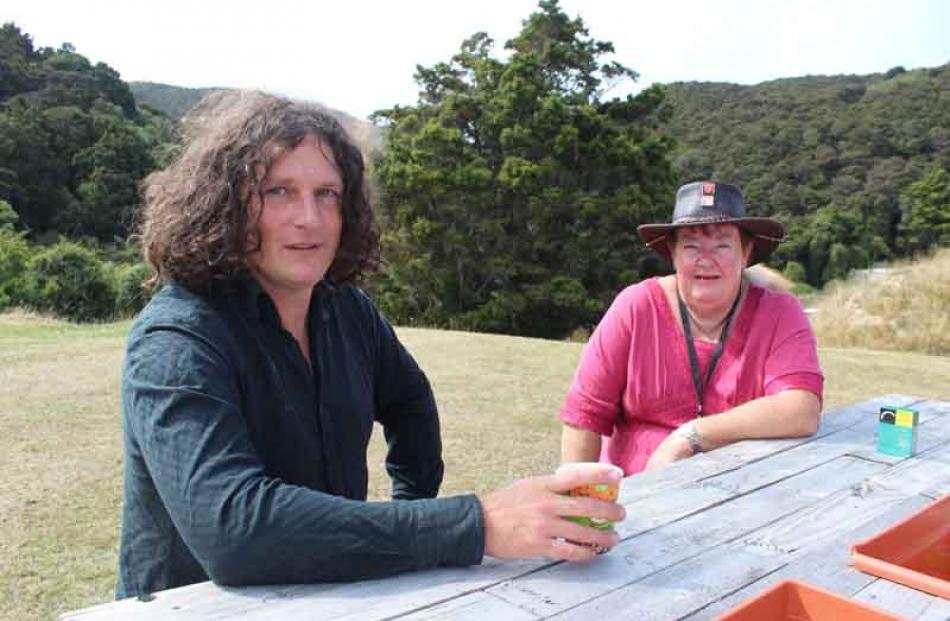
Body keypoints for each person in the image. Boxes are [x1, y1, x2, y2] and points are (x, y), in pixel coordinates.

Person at [117, 91, 624, 599]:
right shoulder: (177, 340)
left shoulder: (345, 308)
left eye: (327, 194)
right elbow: (232, 531)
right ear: (224, 205)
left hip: (334, 598)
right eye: (278, 192)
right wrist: (473, 525)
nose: (309, 218)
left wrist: (412, 508)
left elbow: (410, 402)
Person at [560, 181, 823, 475]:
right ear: (672, 253)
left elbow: (801, 408)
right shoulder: (635, 307)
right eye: (691, 245)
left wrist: (690, 436)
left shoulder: (779, 312)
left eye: (722, 245)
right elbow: (584, 416)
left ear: (746, 253)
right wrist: (578, 506)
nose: (705, 259)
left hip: (741, 493)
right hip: (635, 494)